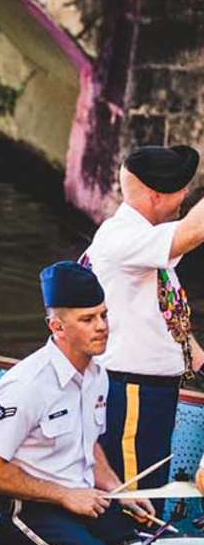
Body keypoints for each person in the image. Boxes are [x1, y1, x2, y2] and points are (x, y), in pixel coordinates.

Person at [0, 261, 155, 545]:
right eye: (88, 319)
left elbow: (90, 444)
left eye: (103, 315)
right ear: (57, 327)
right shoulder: (26, 385)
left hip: (83, 499)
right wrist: (65, 495)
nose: (102, 327)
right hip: (27, 510)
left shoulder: (97, 375)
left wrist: (120, 491)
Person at [82, 145, 204, 506]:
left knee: (148, 497)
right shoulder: (123, 238)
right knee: (137, 504)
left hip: (151, 395)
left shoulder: (142, 241)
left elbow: (164, 315)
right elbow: (191, 233)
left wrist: (198, 360)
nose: (185, 196)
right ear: (155, 195)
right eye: (181, 189)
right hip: (130, 395)